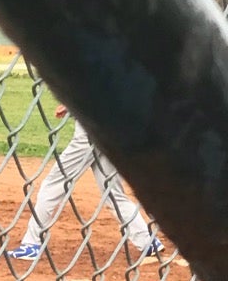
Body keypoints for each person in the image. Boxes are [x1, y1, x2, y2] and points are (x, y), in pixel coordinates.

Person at [9, 107, 161, 262]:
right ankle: (147, 241)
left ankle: (32, 244)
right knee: (113, 192)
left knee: (53, 185)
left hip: (91, 129)